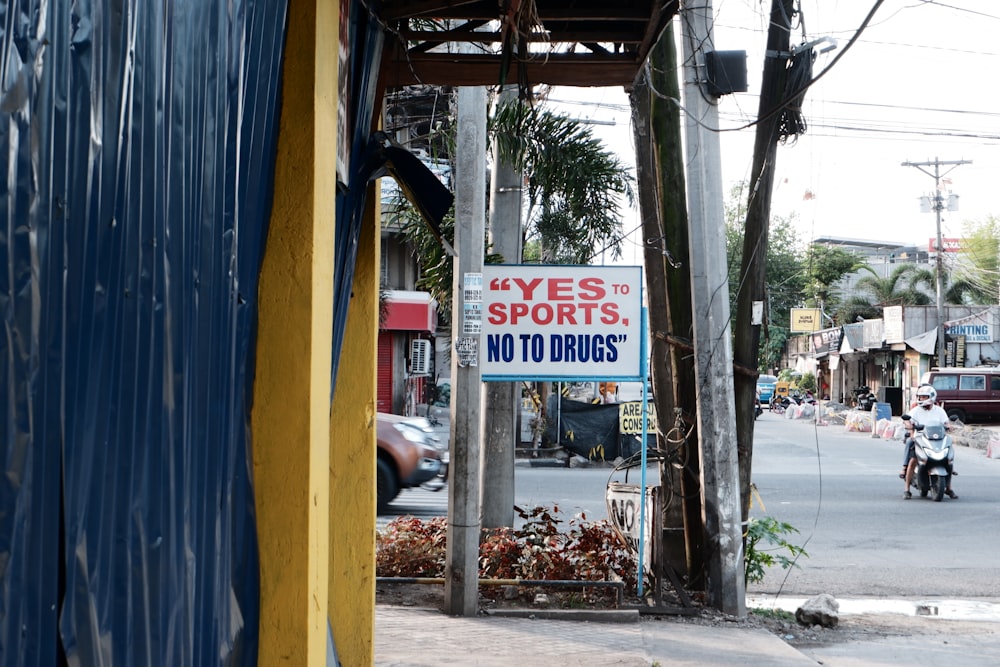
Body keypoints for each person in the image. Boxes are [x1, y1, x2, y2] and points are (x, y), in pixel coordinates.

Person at [901, 384, 957, 500]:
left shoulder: (939, 411)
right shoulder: (915, 410)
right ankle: (906, 489)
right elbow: (907, 421)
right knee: (913, 460)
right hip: (920, 438)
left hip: (937, 439)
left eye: (924, 397)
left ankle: (949, 488)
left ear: (932, 397)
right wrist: (911, 432)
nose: (921, 399)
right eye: (920, 397)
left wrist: (949, 426)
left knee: (948, 461)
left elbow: (946, 422)